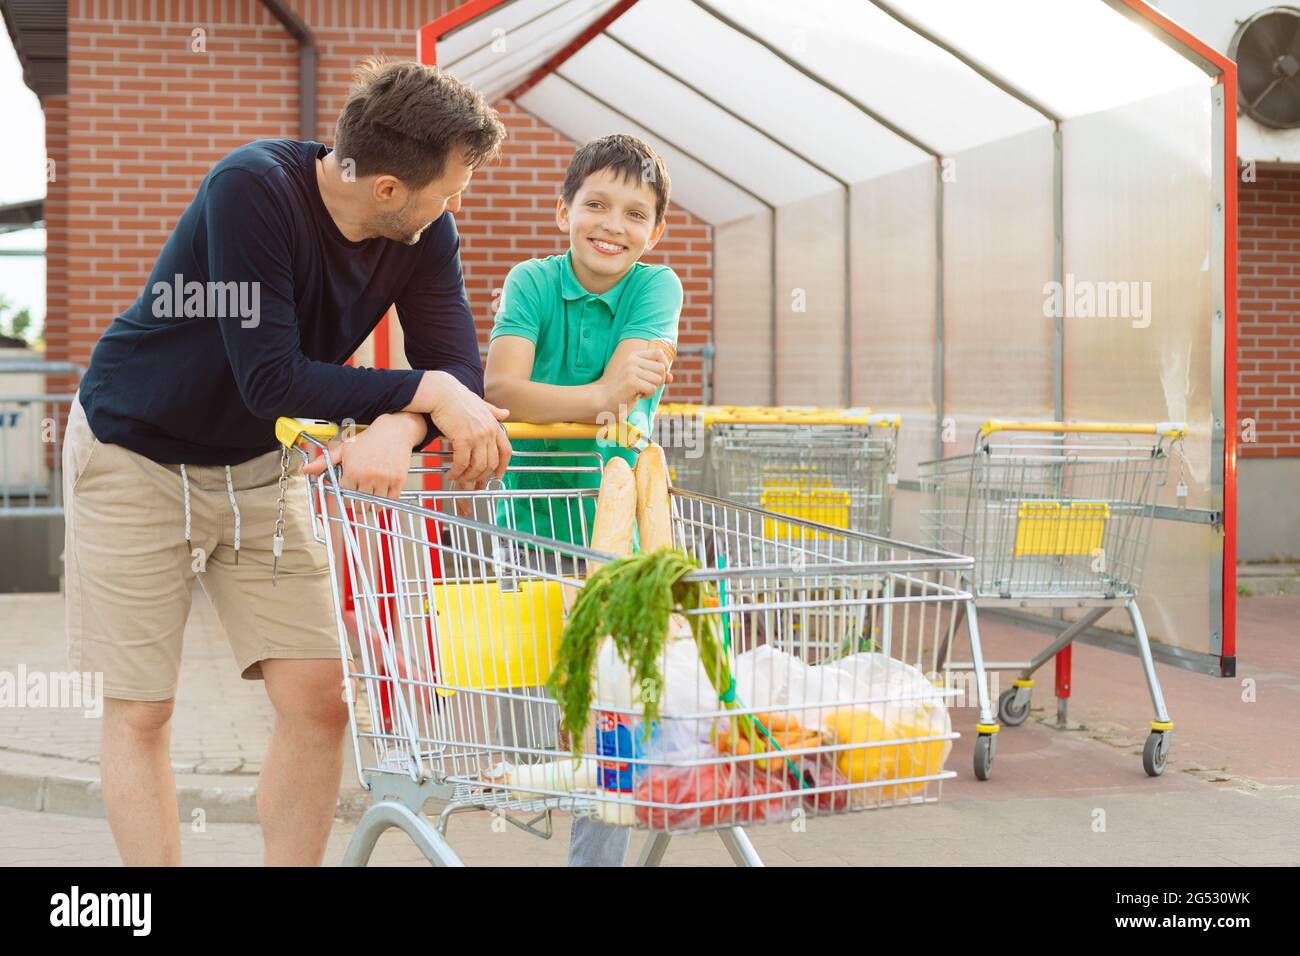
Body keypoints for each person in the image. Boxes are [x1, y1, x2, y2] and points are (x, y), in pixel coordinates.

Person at [63, 59, 510, 866]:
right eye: (447, 188)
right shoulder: (252, 189)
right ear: (385, 189)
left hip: (260, 466)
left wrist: (398, 431)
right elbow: (269, 376)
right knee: (142, 711)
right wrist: (427, 393)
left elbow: (459, 374)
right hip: (133, 452)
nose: (455, 204)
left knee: (319, 701)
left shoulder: (423, 231)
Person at [484, 133, 682, 865]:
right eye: (595, 204)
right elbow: (501, 387)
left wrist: (594, 395)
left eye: (635, 213)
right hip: (531, 519)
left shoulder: (658, 287)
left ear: (655, 231)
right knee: (545, 704)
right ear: (562, 209)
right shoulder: (532, 282)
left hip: (613, 528)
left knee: (609, 717)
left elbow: (627, 386)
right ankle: (537, 779)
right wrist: (599, 393)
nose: (612, 225)